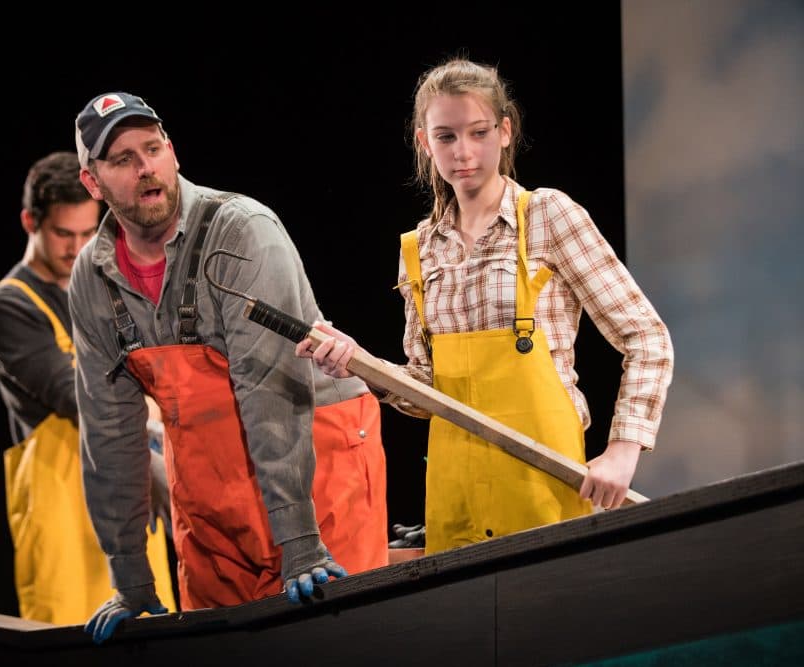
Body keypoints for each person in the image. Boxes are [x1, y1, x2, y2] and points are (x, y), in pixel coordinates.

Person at [298, 58, 674, 555]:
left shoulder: (547, 217)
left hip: (543, 485)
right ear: (423, 142)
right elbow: (427, 389)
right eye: (446, 136)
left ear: (504, 131)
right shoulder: (419, 249)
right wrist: (363, 366)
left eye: (478, 133)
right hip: (455, 491)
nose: (464, 152)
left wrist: (623, 450)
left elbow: (647, 337)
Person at [69, 92, 388, 643]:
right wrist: (131, 575)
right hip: (212, 499)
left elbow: (270, 392)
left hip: (316, 476)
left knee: (334, 647)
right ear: (92, 184)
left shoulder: (241, 232)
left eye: (152, 149)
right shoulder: (93, 278)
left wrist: (300, 544)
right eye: (122, 159)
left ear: (173, 153)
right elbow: (109, 430)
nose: (145, 168)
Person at [0, 151, 176, 624]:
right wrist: (160, 408)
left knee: (149, 636)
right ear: (31, 222)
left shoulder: (100, 289)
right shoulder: (10, 306)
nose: (77, 248)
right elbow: (77, 394)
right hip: (62, 511)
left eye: (88, 234)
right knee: (69, 638)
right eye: (63, 235)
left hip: (128, 489)